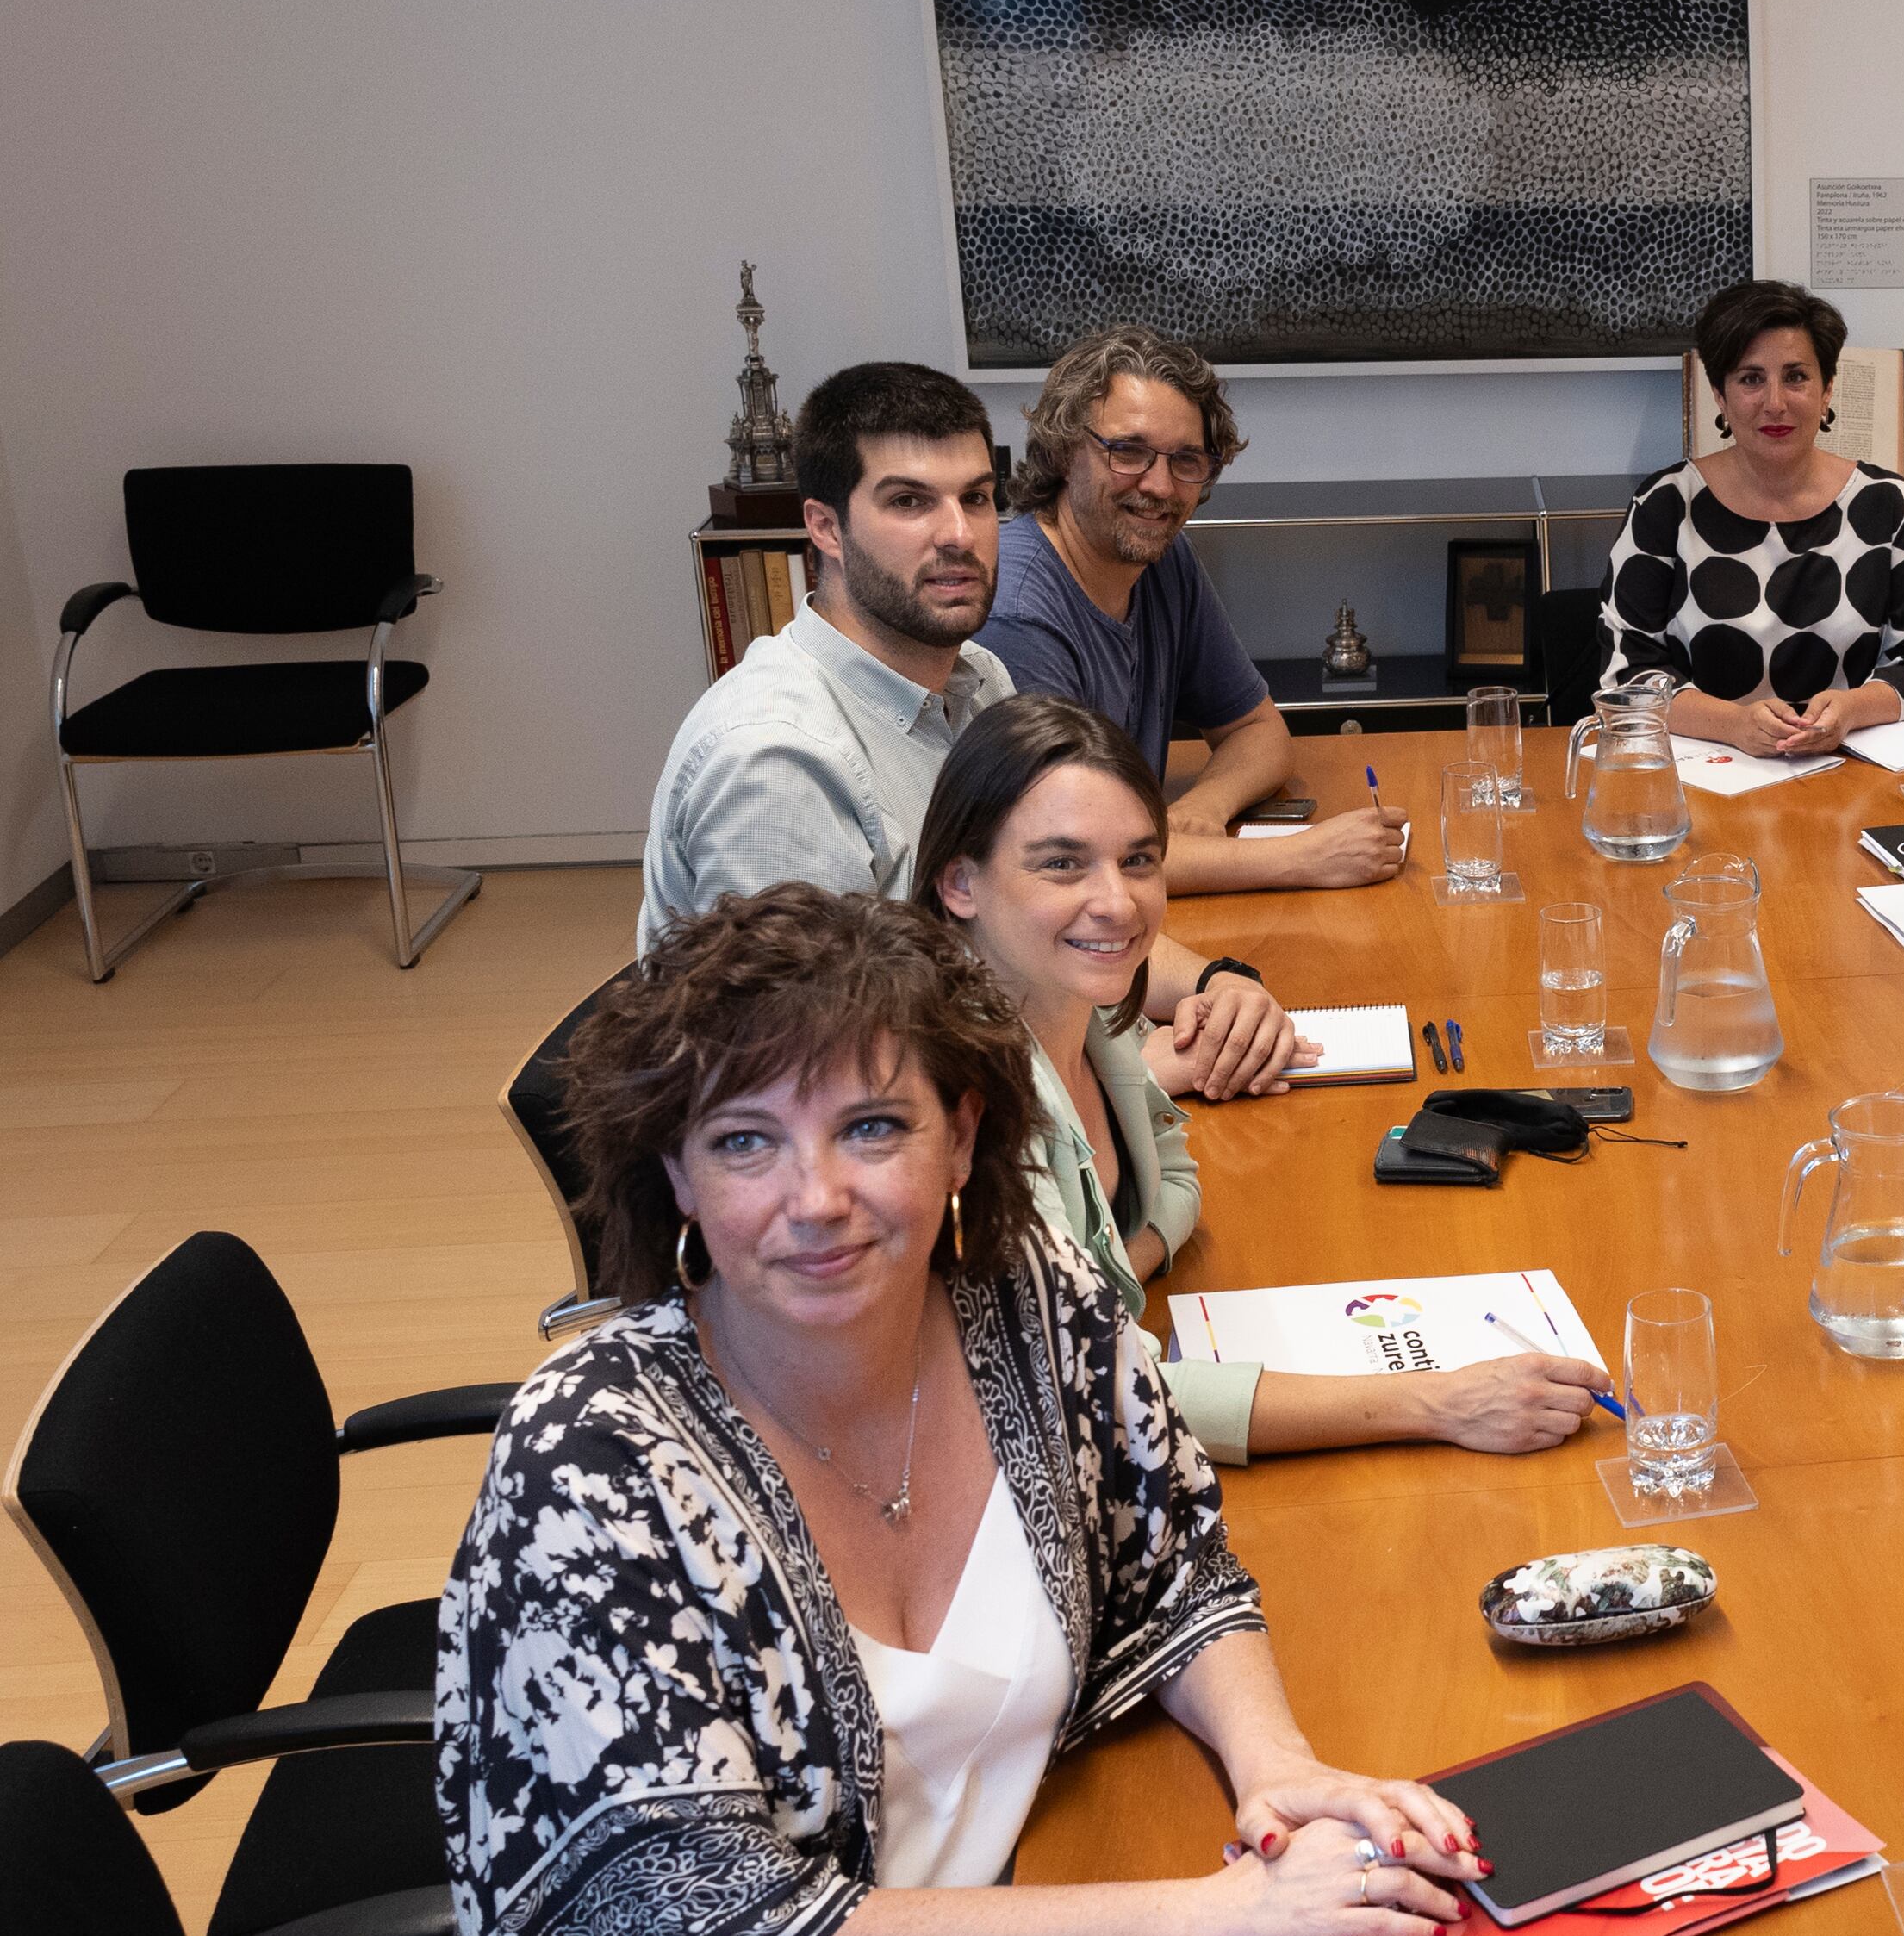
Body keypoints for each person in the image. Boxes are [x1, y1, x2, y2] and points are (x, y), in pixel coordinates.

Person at [436, 885, 1478, 1936]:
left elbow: (1172, 1558)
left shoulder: (1023, 1301)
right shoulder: (590, 1468)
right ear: (673, 1171)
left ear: (966, 1133)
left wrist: (1279, 1766)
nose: (815, 1199)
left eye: (871, 1127)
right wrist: (1213, 1912)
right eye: (744, 1142)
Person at [912, 693, 1614, 1461]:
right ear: (959, 884)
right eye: (1061, 863)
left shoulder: (1088, 1018)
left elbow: (1176, 1182)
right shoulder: (962, 1104)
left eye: (1139, 860)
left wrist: (1099, 1290)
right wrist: (1437, 1401)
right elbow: (1092, 1392)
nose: (1116, 901)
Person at [641, 358, 1304, 1103]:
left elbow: (1063, 912)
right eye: (909, 502)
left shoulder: (979, 678)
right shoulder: (775, 764)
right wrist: (1126, 1078)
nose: (958, 535)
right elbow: (825, 1082)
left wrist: (1218, 985)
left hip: (1001, 1076)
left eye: (977, 499)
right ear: (825, 526)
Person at [984, 323, 1409, 897]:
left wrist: (1205, 806)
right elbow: (1077, 859)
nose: (1160, 487)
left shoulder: (1163, 559)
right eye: (1128, 452)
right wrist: (1305, 857)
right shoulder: (1018, 612)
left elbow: (1260, 731)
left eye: (1186, 460)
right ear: (1064, 452)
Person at [1604, 277, 1904, 755]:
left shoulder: (1890, 505)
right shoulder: (1665, 506)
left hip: (1849, 773)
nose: (1775, 403)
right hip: (1704, 775)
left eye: (1796, 376)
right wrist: (1734, 725)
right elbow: (1626, 673)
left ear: (1828, 388)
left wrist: (1851, 710)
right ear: (1720, 397)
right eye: (1750, 379)